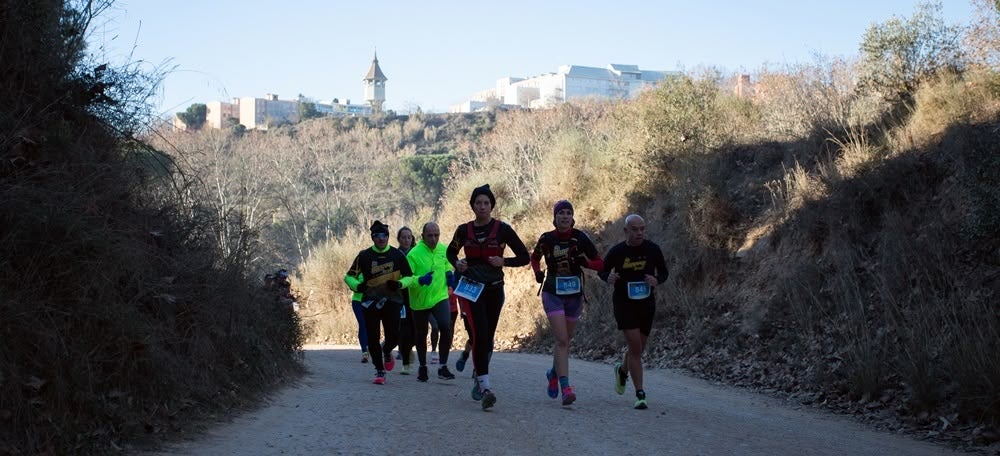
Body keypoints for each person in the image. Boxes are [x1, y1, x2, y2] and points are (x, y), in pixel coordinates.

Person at [447, 184, 530, 410]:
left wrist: (504, 261)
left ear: (492, 205)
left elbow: (524, 257)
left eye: (486, 203)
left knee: (488, 338)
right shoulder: (463, 231)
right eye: (478, 203)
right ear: (472, 205)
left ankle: (478, 376)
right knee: (480, 335)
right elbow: (450, 252)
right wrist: (458, 263)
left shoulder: (503, 229)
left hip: (494, 289)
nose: (482, 206)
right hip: (471, 289)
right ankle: (485, 387)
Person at [530, 200, 603, 406]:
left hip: (574, 295)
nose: (564, 216)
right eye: (561, 213)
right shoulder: (546, 239)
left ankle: (553, 373)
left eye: (568, 213)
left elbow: (600, 263)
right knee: (562, 340)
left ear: (573, 217)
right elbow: (534, 258)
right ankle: (566, 388)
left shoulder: (580, 238)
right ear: (555, 217)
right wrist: (537, 273)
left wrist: (585, 263)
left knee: (565, 341)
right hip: (552, 292)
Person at [598, 214, 668, 409]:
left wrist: (657, 280)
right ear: (626, 231)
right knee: (635, 349)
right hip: (624, 304)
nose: (639, 233)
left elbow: (664, 272)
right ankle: (640, 393)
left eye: (642, 229)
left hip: (646, 304)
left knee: (638, 348)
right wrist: (608, 277)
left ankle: (622, 371)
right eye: (635, 229)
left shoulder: (653, 249)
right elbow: (601, 270)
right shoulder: (617, 251)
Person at [344, 220, 414, 385]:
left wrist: (399, 284)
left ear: (388, 237)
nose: (381, 239)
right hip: (370, 302)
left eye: (384, 236)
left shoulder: (397, 255)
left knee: (394, 336)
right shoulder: (364, 256)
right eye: (377, 236)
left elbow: (410, 277)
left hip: (393, 300)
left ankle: (387, 350)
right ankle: (379, 370)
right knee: (373, 337)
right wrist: (357, 286)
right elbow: (348, 276)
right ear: (372, 237)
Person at [404, 222, 457, 382]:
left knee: (446, 327)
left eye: (437, 235)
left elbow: (448, 263)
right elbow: (406, 278)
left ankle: (443, 366)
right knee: (421, 334)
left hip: (440, 296)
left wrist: (449, 272)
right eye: (430, 236)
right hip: (420, 300)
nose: (434, 239)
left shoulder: (443, 249)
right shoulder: (413, 254)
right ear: (422, 236)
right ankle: (422, 367)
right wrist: (419, 280)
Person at [395, 226, 417, 375]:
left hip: (416, 295)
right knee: (403, 328)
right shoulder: (394, 255)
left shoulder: (416, 254)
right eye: (403, 237)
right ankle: (405, 361)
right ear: (399, 239)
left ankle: (408, 349)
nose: (406, 240)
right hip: (400, 297)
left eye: (409, 237)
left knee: (417, 329)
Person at [348, 274, 369, 363]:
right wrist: (357, 285)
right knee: (362, 323)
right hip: (357, 301)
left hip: (370, 301)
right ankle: (364, 351)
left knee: (370, 325)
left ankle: (370, 347)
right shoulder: (357, 268)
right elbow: (350, 279)